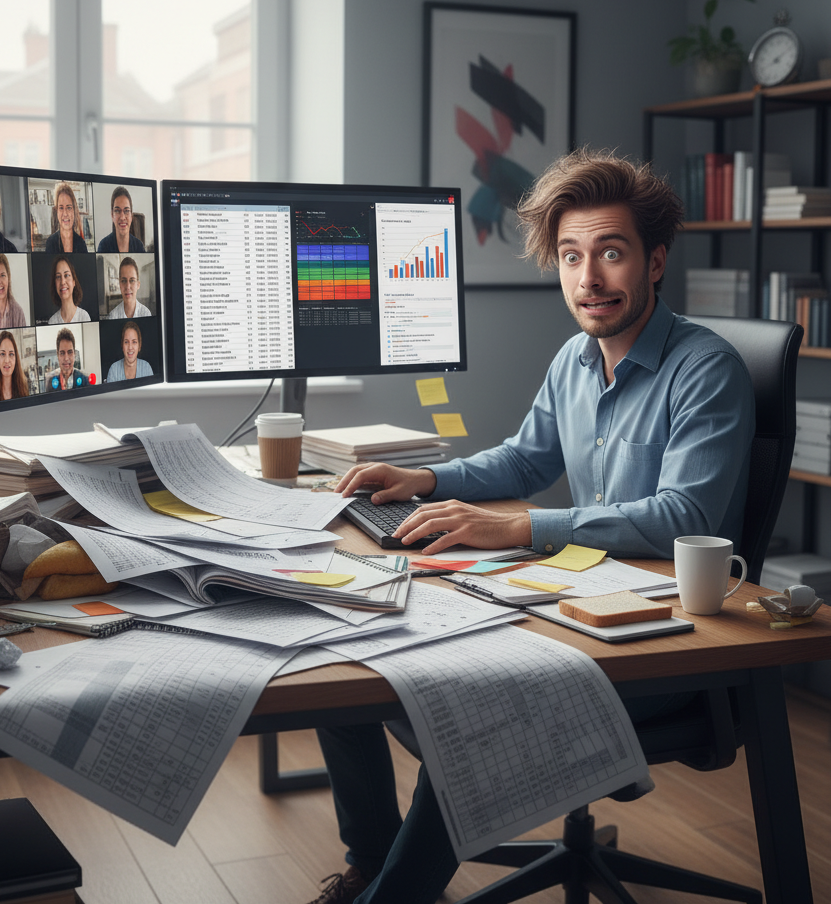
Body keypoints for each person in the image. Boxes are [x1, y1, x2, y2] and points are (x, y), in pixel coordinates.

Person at [305, 149, 756, 904]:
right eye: (572, 257)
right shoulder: (575, 360)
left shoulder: (706, 369)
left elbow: (685, 517)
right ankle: (374, 872)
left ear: (654, 262)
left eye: (611, 254)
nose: (589, 280)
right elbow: (523, 460)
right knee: (339, 666)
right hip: (569, 600)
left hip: (663, 642)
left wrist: (515, 530)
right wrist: (427, 479)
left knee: (473, 711)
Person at [96, 186, 145, 253]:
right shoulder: (104, 246)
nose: (122, 217)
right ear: (112, 215)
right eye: (117, 211)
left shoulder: (139, 246)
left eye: (126, 211)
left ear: (131, 216)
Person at [43, 181, 88, 253]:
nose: (65, 213)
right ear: (56, 211)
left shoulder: (81, 243)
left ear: (74, 210)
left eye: (69, 207)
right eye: (61, 208)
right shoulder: (51, 243)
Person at [47, 255, 91, 324]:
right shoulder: (52, 321)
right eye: (58, 277)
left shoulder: (84, 317)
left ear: (74, 282)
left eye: (66, 275)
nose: (62, 282)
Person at [51, 327, 88, 391]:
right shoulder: (50, 382)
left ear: (74, 354)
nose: (66, 358)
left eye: (70, 352)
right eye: (62, 353)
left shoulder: (85, 380)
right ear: (57, 355)